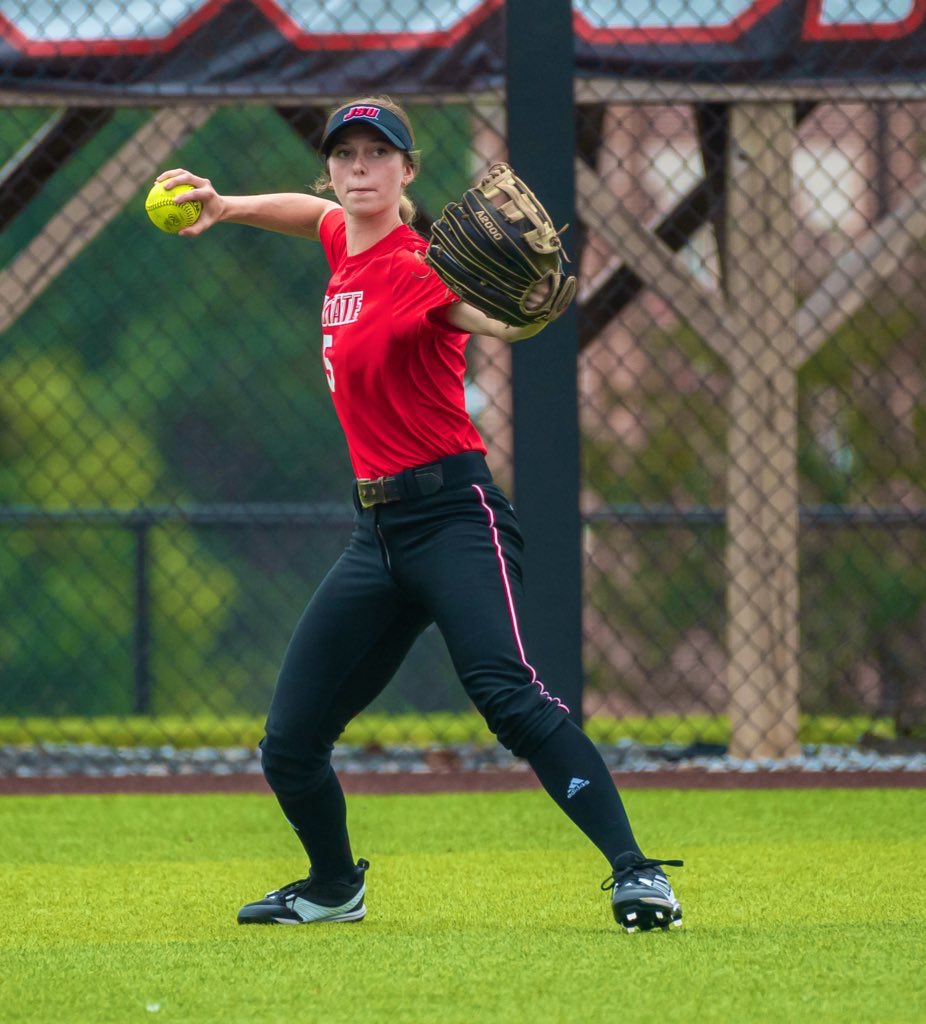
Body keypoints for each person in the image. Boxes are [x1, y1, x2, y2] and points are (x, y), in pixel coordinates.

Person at [155, 95, 683, 933]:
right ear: (330, 167)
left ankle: (637, 873)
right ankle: (334, 887)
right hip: (379, 539)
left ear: (408, 171)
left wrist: (518, 311)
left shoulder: (418, 268)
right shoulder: (343, 240)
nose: (358, 169)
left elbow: (483, 319)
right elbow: (314, 218)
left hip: (453, 518)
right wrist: (226, 207)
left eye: (377, 155)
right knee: (289, 744)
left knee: (510, 699)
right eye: (345, 155)